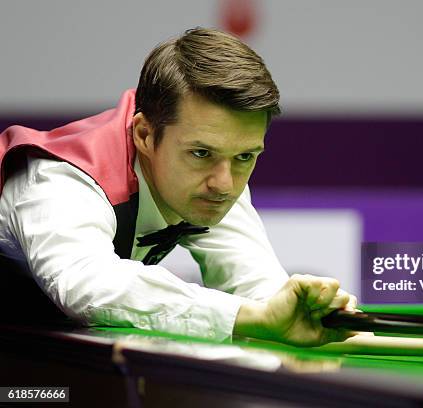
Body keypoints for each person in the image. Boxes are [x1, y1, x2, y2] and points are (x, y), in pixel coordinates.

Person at [0, 28, 356, 346]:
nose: (225, 183)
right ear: (144, 134)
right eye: (201, 153)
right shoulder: (60, 181)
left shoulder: (214, 175)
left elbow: (259, 289)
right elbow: (90, 285)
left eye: (246, 156)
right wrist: (254, 318)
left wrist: (309, 308)